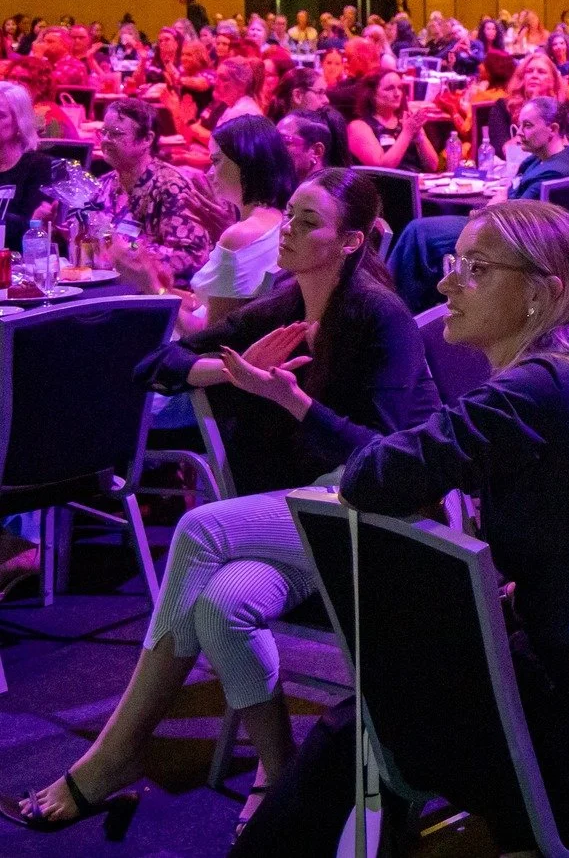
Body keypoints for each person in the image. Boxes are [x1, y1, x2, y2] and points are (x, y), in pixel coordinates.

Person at [227, 201, 569, 854]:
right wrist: (298, 401)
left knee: (366, 722)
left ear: (541, 292)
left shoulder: (536, 389)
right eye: (452, 263)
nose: (444, 284)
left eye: (475, 268)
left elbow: (371, 477)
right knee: (376, 713)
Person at [1, 170, 435, 835]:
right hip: (302, 516)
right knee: (221, 603)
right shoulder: (287, 299)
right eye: (288, 213)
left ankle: (115, 753)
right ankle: (276, 765)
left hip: (381, 515)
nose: (286, 228)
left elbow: (381, 455)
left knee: (200, 530)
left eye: (306, 220)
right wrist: (231, 372)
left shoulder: (380, 315)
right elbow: (161, 363)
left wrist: (286, 397)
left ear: (348, 241)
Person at [389, 97, 569, 310]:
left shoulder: (553, 171)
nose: (519, 133)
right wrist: (499, 201)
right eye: (519, 125)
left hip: (506, 237)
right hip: (497, 225)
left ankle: (393, 308)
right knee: (420, 232)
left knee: (419, 233)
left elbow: (515, 216)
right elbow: (507, 195)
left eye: (527, 126)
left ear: (552, 129)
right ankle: (410, 308)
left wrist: (494, 206)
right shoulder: (540, 159)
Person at [181, 116, 295, 331]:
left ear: (245, 161)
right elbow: (214, 304)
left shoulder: (239, 236)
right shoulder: (280, 218)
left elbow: (209, 336)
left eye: (216, 161)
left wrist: (151, 286)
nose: (209, 173)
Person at [93, 97, 213, 291]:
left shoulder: (170, 186)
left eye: (116, 133)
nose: (106, 140)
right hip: (110, 289)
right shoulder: (103, 184)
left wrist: (130, 252)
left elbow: (194, 254)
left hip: (159, 298)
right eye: (104, 132)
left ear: (147, 139)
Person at [348, 67, 440, 172]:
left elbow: (433, 166)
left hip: (419, 183)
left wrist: (420, 136)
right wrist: (407, 133)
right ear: (372, 94)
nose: (397, 94)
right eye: (389, 88)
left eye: (400, 88)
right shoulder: (359, 127)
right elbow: (382, 169)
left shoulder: (405, 122)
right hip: (386, 186)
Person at [269, 66, 350, 165]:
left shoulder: (331, 122)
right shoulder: (271, 136)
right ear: (298, 95)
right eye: (320, 92)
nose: (326, 100)